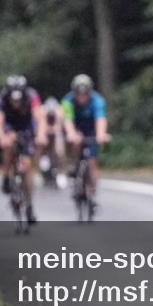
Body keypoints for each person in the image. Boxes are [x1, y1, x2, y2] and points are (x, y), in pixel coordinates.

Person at [0, 75, 47, 224]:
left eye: (18, 100)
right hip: (9, 126)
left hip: (26, 126)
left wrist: (41, 134)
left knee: (28, 165)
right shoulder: (1, 97)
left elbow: (40, 118)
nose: (16, 103)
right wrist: (2, 137)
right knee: (8, 146)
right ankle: (5, 175)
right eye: (13, 100)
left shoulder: (32, 96)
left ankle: (29, 205)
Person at [61, 74, 109, 210]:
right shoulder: (67, 101)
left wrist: (101, 135)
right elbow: (67, 120)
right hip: (75, 127)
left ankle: (92, 192)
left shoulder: (98, 100)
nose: (82, 97)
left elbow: (100, 119)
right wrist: (71, 134)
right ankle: (74, 164)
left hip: (91, 129)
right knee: (75, 142)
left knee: (92, 162)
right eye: (79, 94)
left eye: (85, 94)